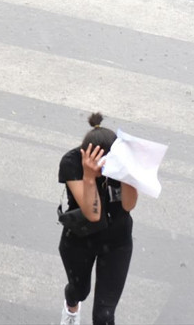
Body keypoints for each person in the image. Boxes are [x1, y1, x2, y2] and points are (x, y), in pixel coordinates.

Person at [58, 113, 138, 325]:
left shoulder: (121, 164)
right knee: (79, 291)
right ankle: (71, 308)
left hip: (117, 242)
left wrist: (126, 174)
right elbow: (93, 215)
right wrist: (89, 176)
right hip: (80, 238)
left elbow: (128, 205)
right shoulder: (71, 162)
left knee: (104, 315)